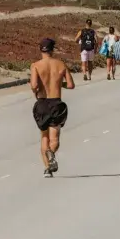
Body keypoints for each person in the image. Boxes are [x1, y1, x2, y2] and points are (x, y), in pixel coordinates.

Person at [30, 37, 74, 177]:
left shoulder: (35, 65)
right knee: (54, 140)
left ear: (40, 49)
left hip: (42, 103)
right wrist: (60, 84)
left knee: (44, 137)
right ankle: (51, 155)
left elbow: (34, 85)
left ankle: (47, 169)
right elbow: (71, 85)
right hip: (56, 103)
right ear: (52, 50)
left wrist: (36, 92)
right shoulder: (61, 64)